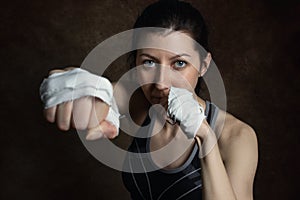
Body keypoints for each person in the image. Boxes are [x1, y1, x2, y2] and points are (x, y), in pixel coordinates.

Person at [40, 0, 258, 199]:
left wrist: (205, 137)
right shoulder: (142, 102)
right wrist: (75, 86)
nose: (161, 83)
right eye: (149, 62)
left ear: (203, 65)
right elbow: (98, 91)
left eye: (179, 64)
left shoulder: (236, 137)